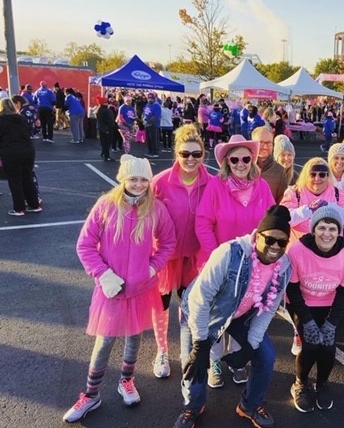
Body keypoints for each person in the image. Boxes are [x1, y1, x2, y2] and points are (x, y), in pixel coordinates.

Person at [63, 155, 176, 423]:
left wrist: (151, 268)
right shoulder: (106, 206)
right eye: (133, 178)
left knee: (134, 337)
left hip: (141, 287)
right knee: (104, 342)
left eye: (144, 180)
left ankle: (126, 380)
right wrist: (103, 275)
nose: (138, 184)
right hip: (111, 290)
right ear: (123, 179)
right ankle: (91, 394)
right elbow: (85, 245)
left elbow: (168, 243)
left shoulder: (156, 209)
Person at [173, 206, 292, 428]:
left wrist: (250, 346)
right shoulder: (228, 253)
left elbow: (267, 309)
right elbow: (200, 299)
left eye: (282, 242)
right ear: (257, 236)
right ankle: (193, 406)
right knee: (194, 366)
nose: (275, 246)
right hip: (204, 313)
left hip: (241, 315)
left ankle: (250, 406)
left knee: (265, 355)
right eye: (270, 239)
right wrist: (201, 344)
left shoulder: (284, 267)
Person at [195, 133, 275, 387]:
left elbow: (271, 221)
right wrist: (218, 258)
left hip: (254, 265)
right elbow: (203, 223)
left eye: (245, 158)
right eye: (235, 159)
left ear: (252, 160)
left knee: (244, 316)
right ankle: (215, 361)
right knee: (219, 315)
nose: (240, 164)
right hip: (222, 264)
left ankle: (237, 361)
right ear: (226, 162)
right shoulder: (216, 187)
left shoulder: (262, 186)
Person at [150, 125, 214, 379]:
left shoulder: (211, 183)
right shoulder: (160, 182)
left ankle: (186, 351)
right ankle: (161, 351)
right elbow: (143, 216)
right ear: (176, 153)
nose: (190, 159)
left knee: (190, 306)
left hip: (195, 256)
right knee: (161, 305)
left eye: (196, 154)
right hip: (165, 257)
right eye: (185, 153)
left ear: (203, 155)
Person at [286, 207, 344, 412]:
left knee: (327, 346)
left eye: (332, 229)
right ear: (313, 230)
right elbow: (292, 288)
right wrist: (307, 320)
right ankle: (300, 383)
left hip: (330, 303)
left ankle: (322, 383)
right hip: (303, 302)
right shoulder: (297, 250)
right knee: (310, 344)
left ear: (339, 232)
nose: (327, 233)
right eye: (322, 228)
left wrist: (331, 323)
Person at [280, 157, 344, 243]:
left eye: (322, 175)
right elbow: (282, 219)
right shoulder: (293, 193)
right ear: (305, 176)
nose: (317, 178)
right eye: (313, 174)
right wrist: (308, 210)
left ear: (328, 176)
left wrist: (329, 207)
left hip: (330, 250)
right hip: (299, 249)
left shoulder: (338, 194)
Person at [0, 98, 42, 216]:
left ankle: (19, 209)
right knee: (27, 178)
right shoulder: (21, 118)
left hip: (11, 152)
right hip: (28, 150)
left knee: (15, 180)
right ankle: (34, 205)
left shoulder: (1, 120)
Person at [252, 127, 288, 203]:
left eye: (268, 143)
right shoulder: (243, 168)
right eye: (261, 143)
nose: (265, 147)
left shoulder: (279, 171)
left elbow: (281, 201)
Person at [96, 97, 116, 162]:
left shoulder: (104, 109)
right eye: (105, 102)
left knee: (106, 143)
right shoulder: (102, 110)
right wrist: (105, 129)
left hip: (107, 128)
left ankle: (104, 153)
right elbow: (101, 121)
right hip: (106, 129)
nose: (107, 103)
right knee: (106, 143)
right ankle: (106, 156)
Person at [143, 92, 161, 158]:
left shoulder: (156, 105)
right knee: (149, 139)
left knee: (154, 139)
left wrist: (148, 122)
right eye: (149, 98)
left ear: (154, 98)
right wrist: (143, 119)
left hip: (154, 125)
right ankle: (150, 151)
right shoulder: (147, 104)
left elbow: (156, 116)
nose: (150, 99)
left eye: (151, 98)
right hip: (147, 125)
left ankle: (155, 152)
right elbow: (144, 112)